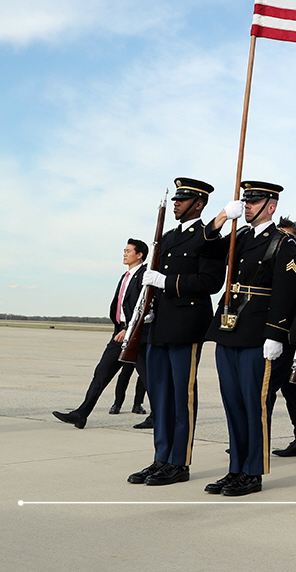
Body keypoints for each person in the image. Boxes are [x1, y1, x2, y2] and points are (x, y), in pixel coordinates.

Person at [199, 181, 296, 498]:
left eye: (254, 202)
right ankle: (236, 469)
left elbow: (288, 293)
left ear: (270, 206)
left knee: (253, 405)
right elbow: (207, 248)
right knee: (232, 403)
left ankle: (252, 472)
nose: (247, 206)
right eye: (245, 201)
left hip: (258, 333)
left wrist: (276, 333)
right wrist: (220, 218)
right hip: (229, 327)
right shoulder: (240, 236)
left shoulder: (282, 244)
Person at [129, 179, 225, 486]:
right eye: (175, 200)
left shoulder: (208, 238)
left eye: (182, 201)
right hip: (160, 324)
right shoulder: (167, 238)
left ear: (198, 204)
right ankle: (161, 457)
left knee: (182, 396)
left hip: (187, 324)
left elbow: (211, 283)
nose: (176, 205)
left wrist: (167, 283)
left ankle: (179, 462)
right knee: (160, 394)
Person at [53, 239, 148, 430]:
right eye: (124, 250)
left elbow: (144, 306)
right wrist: (119, 327)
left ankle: (158, 417)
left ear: (140, 255)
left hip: (136, 335)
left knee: (148, 377)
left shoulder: (145, 276)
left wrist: (128, 328)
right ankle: (81, 415)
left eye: (128, 251)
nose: (124, 253)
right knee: (101, 373)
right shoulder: (125, 276)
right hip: (119, 333)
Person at [268, 216, 296, 458]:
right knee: (290, 391)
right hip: (269, 337)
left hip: (287, 339)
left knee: (265, 391)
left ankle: (256, 440)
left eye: (284, 236)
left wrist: (291, 337)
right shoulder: (270, 262)